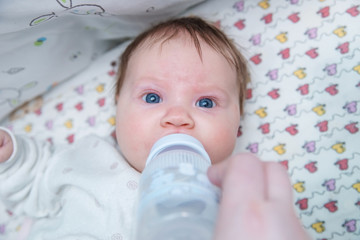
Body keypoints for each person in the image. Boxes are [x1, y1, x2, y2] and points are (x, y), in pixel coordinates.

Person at [0, 16, 310, 239]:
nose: (177, 117)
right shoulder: (86, 158)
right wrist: (11, 154)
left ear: (237, 121)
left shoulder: (234, 196)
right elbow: (33, 179)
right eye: (152, 97)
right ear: (118, 107)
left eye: (205, 103)